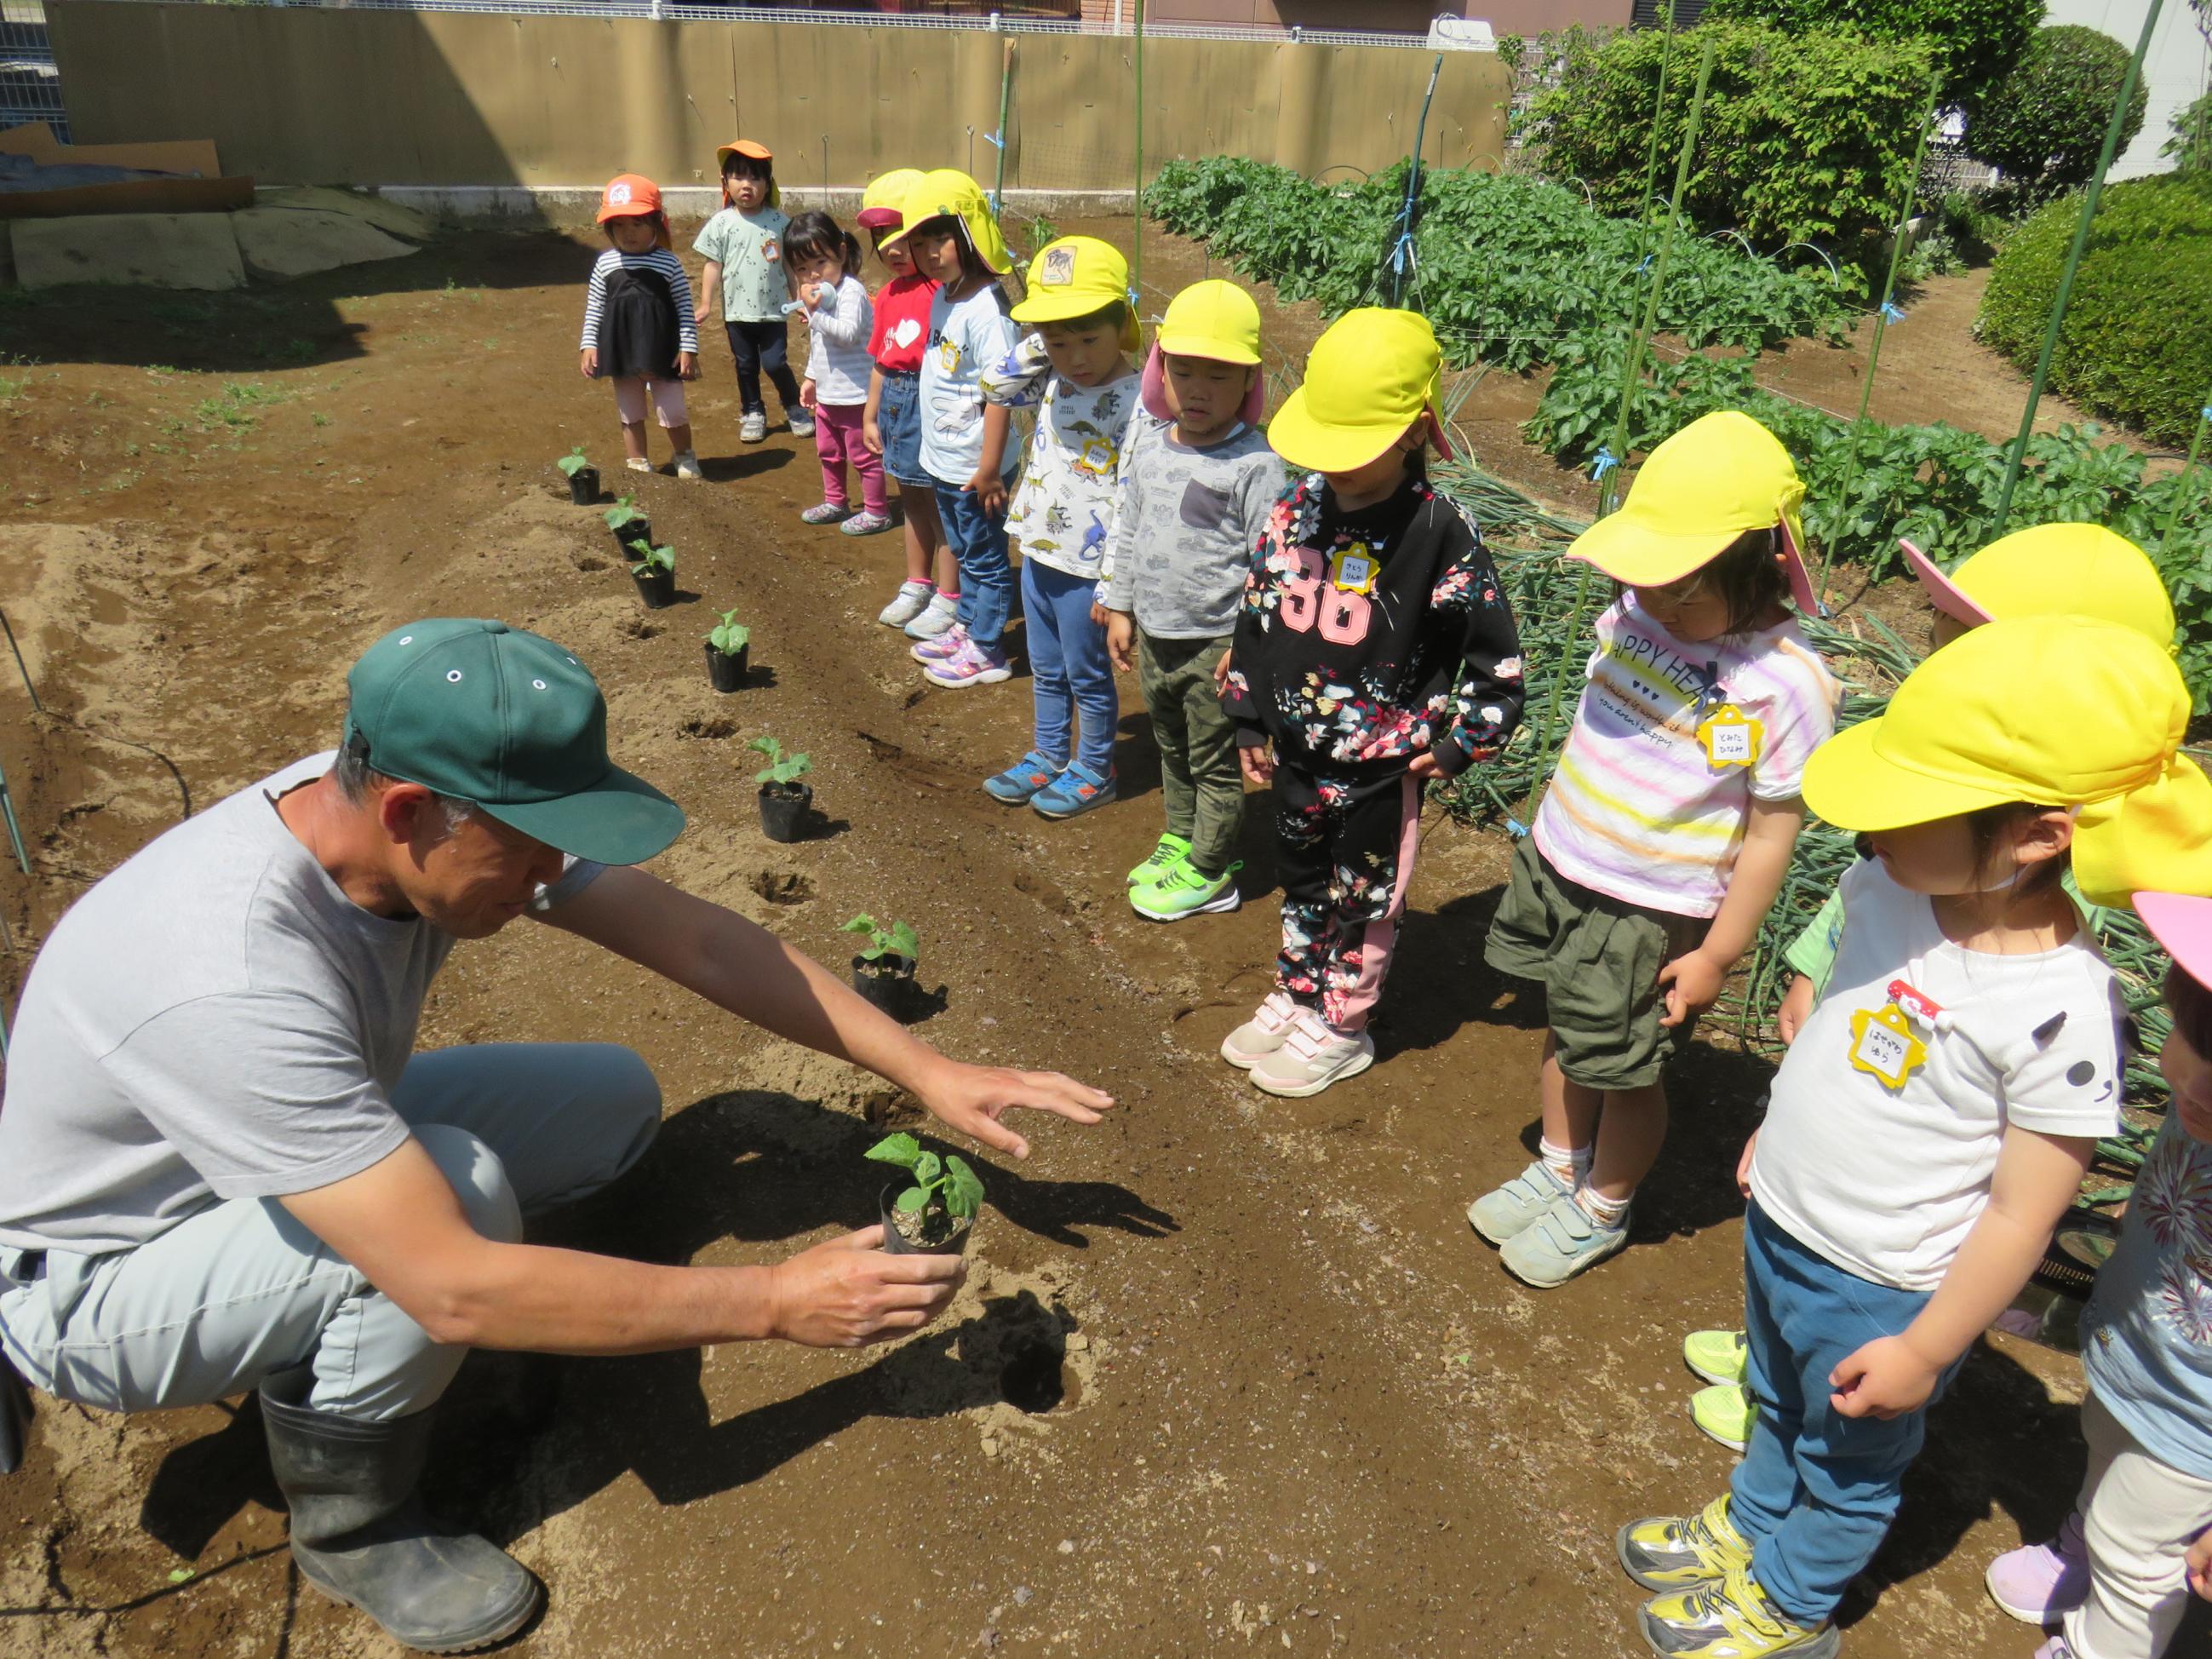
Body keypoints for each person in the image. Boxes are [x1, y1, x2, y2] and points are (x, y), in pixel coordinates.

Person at [0, 618, 1112, 1655]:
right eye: (533, 852)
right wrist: (772, 1304)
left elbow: (699, 943)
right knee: (462, 1205)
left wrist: (924, 1068)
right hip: (95, 1278)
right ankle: (353, 1528)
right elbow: (454, 1288)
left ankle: (407, 1311)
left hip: (246, 1161)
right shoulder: (228, 977)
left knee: (609, 1100)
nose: (548, 881)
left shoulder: (404, 807)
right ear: (408, 812)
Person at [1614, 617, 2212, 1659]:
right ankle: (1754, 1527)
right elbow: (1839, 1029)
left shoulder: (2062, 1010)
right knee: (1773, 1392)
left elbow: (2026, 1210)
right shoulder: (1890, 884)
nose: (1873, 828)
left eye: (1912, 806)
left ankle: (1794, 1602)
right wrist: (1776, 1128)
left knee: (1848, 1454)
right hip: (1788, 1223)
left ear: (2038, 835)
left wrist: (1930, 1346)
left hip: (1883, 1279)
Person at [1686, 520, 2180, 1456]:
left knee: (1845, 1403)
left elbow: (2006, 1165)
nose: (1941, 656)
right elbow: (1875, 896)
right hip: (1841, 1132)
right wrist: (1813, 968)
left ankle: (1804, 1388)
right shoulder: (1942, 830)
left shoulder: (2045, 941)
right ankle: (1774, 1356)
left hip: (1894, 1236)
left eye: (1969, 640)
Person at [1466, 411, 1838, 1289]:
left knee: (1626, 1066)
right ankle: (1561, 1163)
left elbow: (1771, 833)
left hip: (1652, 908)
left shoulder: (1785, 683)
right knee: (1567, 1026)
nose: (1662, 603)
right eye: (1651, 579)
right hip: (1566, 862)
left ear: (1762, 563)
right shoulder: (1635, 607)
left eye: (1687, 587)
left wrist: (1717, 953)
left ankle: (1604, 1201)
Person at [1219, 307, 1523, 1098]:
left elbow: (1495, 661)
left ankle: (1342, 1023)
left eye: (1358, 449)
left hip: (1378, 767)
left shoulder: (1440, 532)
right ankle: (1296, 991)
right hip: (1295, 751)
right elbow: (1257, 611)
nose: (1339, 468)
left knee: (1365, 895)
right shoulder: (1299, 506)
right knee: (1303, 880)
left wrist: (1462, 740)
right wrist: (1248, 711)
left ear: (1417, 430)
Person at [1983, 889, 2212, 1659]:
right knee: (2104, 1442)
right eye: (2196, 1038)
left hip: (2199, 1424)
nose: (2198, 1085)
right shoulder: (2196, 1109)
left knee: (2141, 1555)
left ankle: (2100, 1643)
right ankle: (2088, 1540)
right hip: (2140, 1352)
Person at [1099, 278, 1284, 920]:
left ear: (1248, 384)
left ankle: (1213, 869)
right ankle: (1181, 837)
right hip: (1156, 633)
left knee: (1214, 759)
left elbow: (1270, 569)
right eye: (1184, 371)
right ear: (1160, 370)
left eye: (1220, 375)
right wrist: (1119, 605)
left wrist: (1247, 649)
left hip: (1216, 646)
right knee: (1170, 744)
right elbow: (1128, 526)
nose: (1199, 389)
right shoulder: (1150, 444)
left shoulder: (1256, 466)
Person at [976, 234, 1143, 818]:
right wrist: (1038, 347)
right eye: (1057, 341)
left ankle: (1096, 767)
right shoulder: (1054, 375)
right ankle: (1049, 754)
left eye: (1088, 340)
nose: (1074, 356)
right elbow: (993, 387)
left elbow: (1133, 499)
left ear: (1121, 323)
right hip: (1041, 550)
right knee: (1046, 668)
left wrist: (1117, 585)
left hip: (1089, 571)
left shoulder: (1137, 400)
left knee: (1086, 672)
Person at [880, 169, 1023, 689]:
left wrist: (989, 468)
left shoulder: (988, 309)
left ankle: (989, 649)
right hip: (946, 457)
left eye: (939, 238)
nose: (929, 251)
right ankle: (968, 626)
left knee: (985, 557)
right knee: (963, 551)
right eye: (919, 242)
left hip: (975, 466)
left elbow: (1000, 393)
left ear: (968, 235)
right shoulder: (947, 294)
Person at [857, 168, 959, 635]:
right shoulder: (887, 297)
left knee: (943, 505)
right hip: (897, 404)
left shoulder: (942, 292)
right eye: (881, 236)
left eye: (903, 234)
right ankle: (917, 582)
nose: (892, 248)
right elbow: (881, 360)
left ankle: (949, 593)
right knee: (912, 499)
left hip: (933, 401)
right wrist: (870, 414)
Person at [576, 175, 700, 480]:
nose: (628, 232)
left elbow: (685, 308)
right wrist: (589, 344)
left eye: (637, 223)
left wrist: (688, 348)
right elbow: (595, 306)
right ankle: (637, 462)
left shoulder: (668, 263)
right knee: (630, 413)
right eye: (619, 224)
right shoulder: (606, 264)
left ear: (655, 224)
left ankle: (684, 456)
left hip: (663, 350)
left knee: (672, 412)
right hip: (620, 349)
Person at [692, 139, 812, 445]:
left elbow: (789, 267)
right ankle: (752, 412)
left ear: (767, 183)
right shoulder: (721, 223)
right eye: (739, 177)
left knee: (775, 363)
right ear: (726, 181)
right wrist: (705, 303)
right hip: (736, 313)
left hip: (773, 312)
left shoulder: (780, 222)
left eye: (755, 177)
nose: (747, 185)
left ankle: (794, 406)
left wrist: (799, 301)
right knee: (745, 365)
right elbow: (712, 266)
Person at [787, 210, 891, 537]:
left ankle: (877, 511)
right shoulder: (822, 297)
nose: (812, 275)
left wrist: (814, 314)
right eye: (802, 269)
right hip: (829, 396)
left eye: (820, 263)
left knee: (864, 456)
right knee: (828, 452)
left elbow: (846, 334)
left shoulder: (851, 293)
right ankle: (836, 501)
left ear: (842, 253)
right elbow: (820, 345)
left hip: (857, 395)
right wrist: (810, 378)